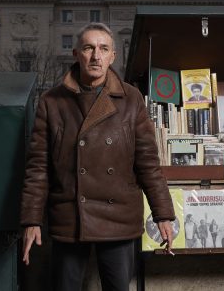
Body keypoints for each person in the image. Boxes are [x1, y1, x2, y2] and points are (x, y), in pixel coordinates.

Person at [20, 22, 175, 291]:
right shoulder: (51, 101)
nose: (96, 56)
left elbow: (148, 162)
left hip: (119, 216)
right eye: (89, 48)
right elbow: (38, 167)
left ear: (113, 56)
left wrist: (163, 214)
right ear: (76, 54)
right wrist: (32, 219)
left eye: (103, 49)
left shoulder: (131, 99)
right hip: (70, 215)